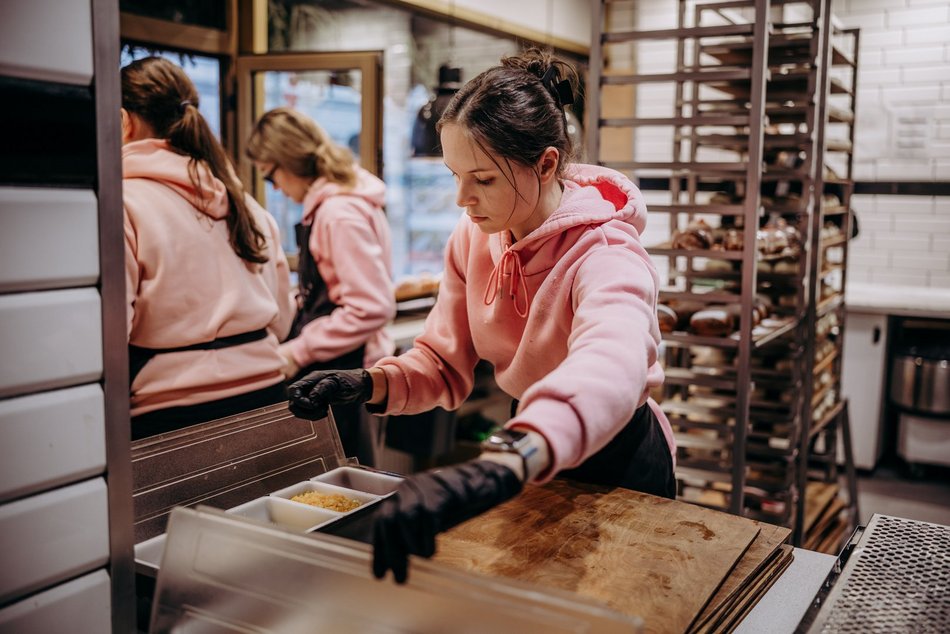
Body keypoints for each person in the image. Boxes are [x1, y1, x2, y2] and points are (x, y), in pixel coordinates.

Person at [288, 49, 677, 583]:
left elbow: (610, 367)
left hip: (616, 455)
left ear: (546, 164)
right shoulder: (474, 238)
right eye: (454, 175)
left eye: (484, 179)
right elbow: (440, 361)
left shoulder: (606, 253)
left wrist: (508, 458)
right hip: (528, 446)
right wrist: (370, 383)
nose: (462, 199)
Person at [121, 57, 294, 440]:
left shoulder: (123, 204)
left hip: (173, 414)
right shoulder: (247, 206)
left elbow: (110, 336)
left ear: (123, 121)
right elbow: (282, 320)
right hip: (268, 397)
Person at [245, 108, 396, 460]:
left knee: (346, 477)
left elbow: (371, 306)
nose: (276, 188)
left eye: (270, 176)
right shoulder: (337, 204)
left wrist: (298, 351)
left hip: (345, 368)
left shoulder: (338, 213)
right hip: (343, 363)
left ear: (289, 161)